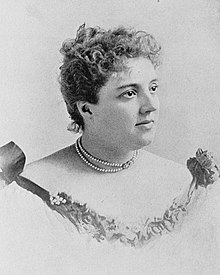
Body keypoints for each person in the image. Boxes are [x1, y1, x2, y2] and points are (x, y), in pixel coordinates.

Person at [0, 24, 220, 275]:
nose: (150, 105)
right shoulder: (30, 192)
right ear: (86, 109)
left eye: (153, 88)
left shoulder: (187, 186)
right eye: (129, 93)